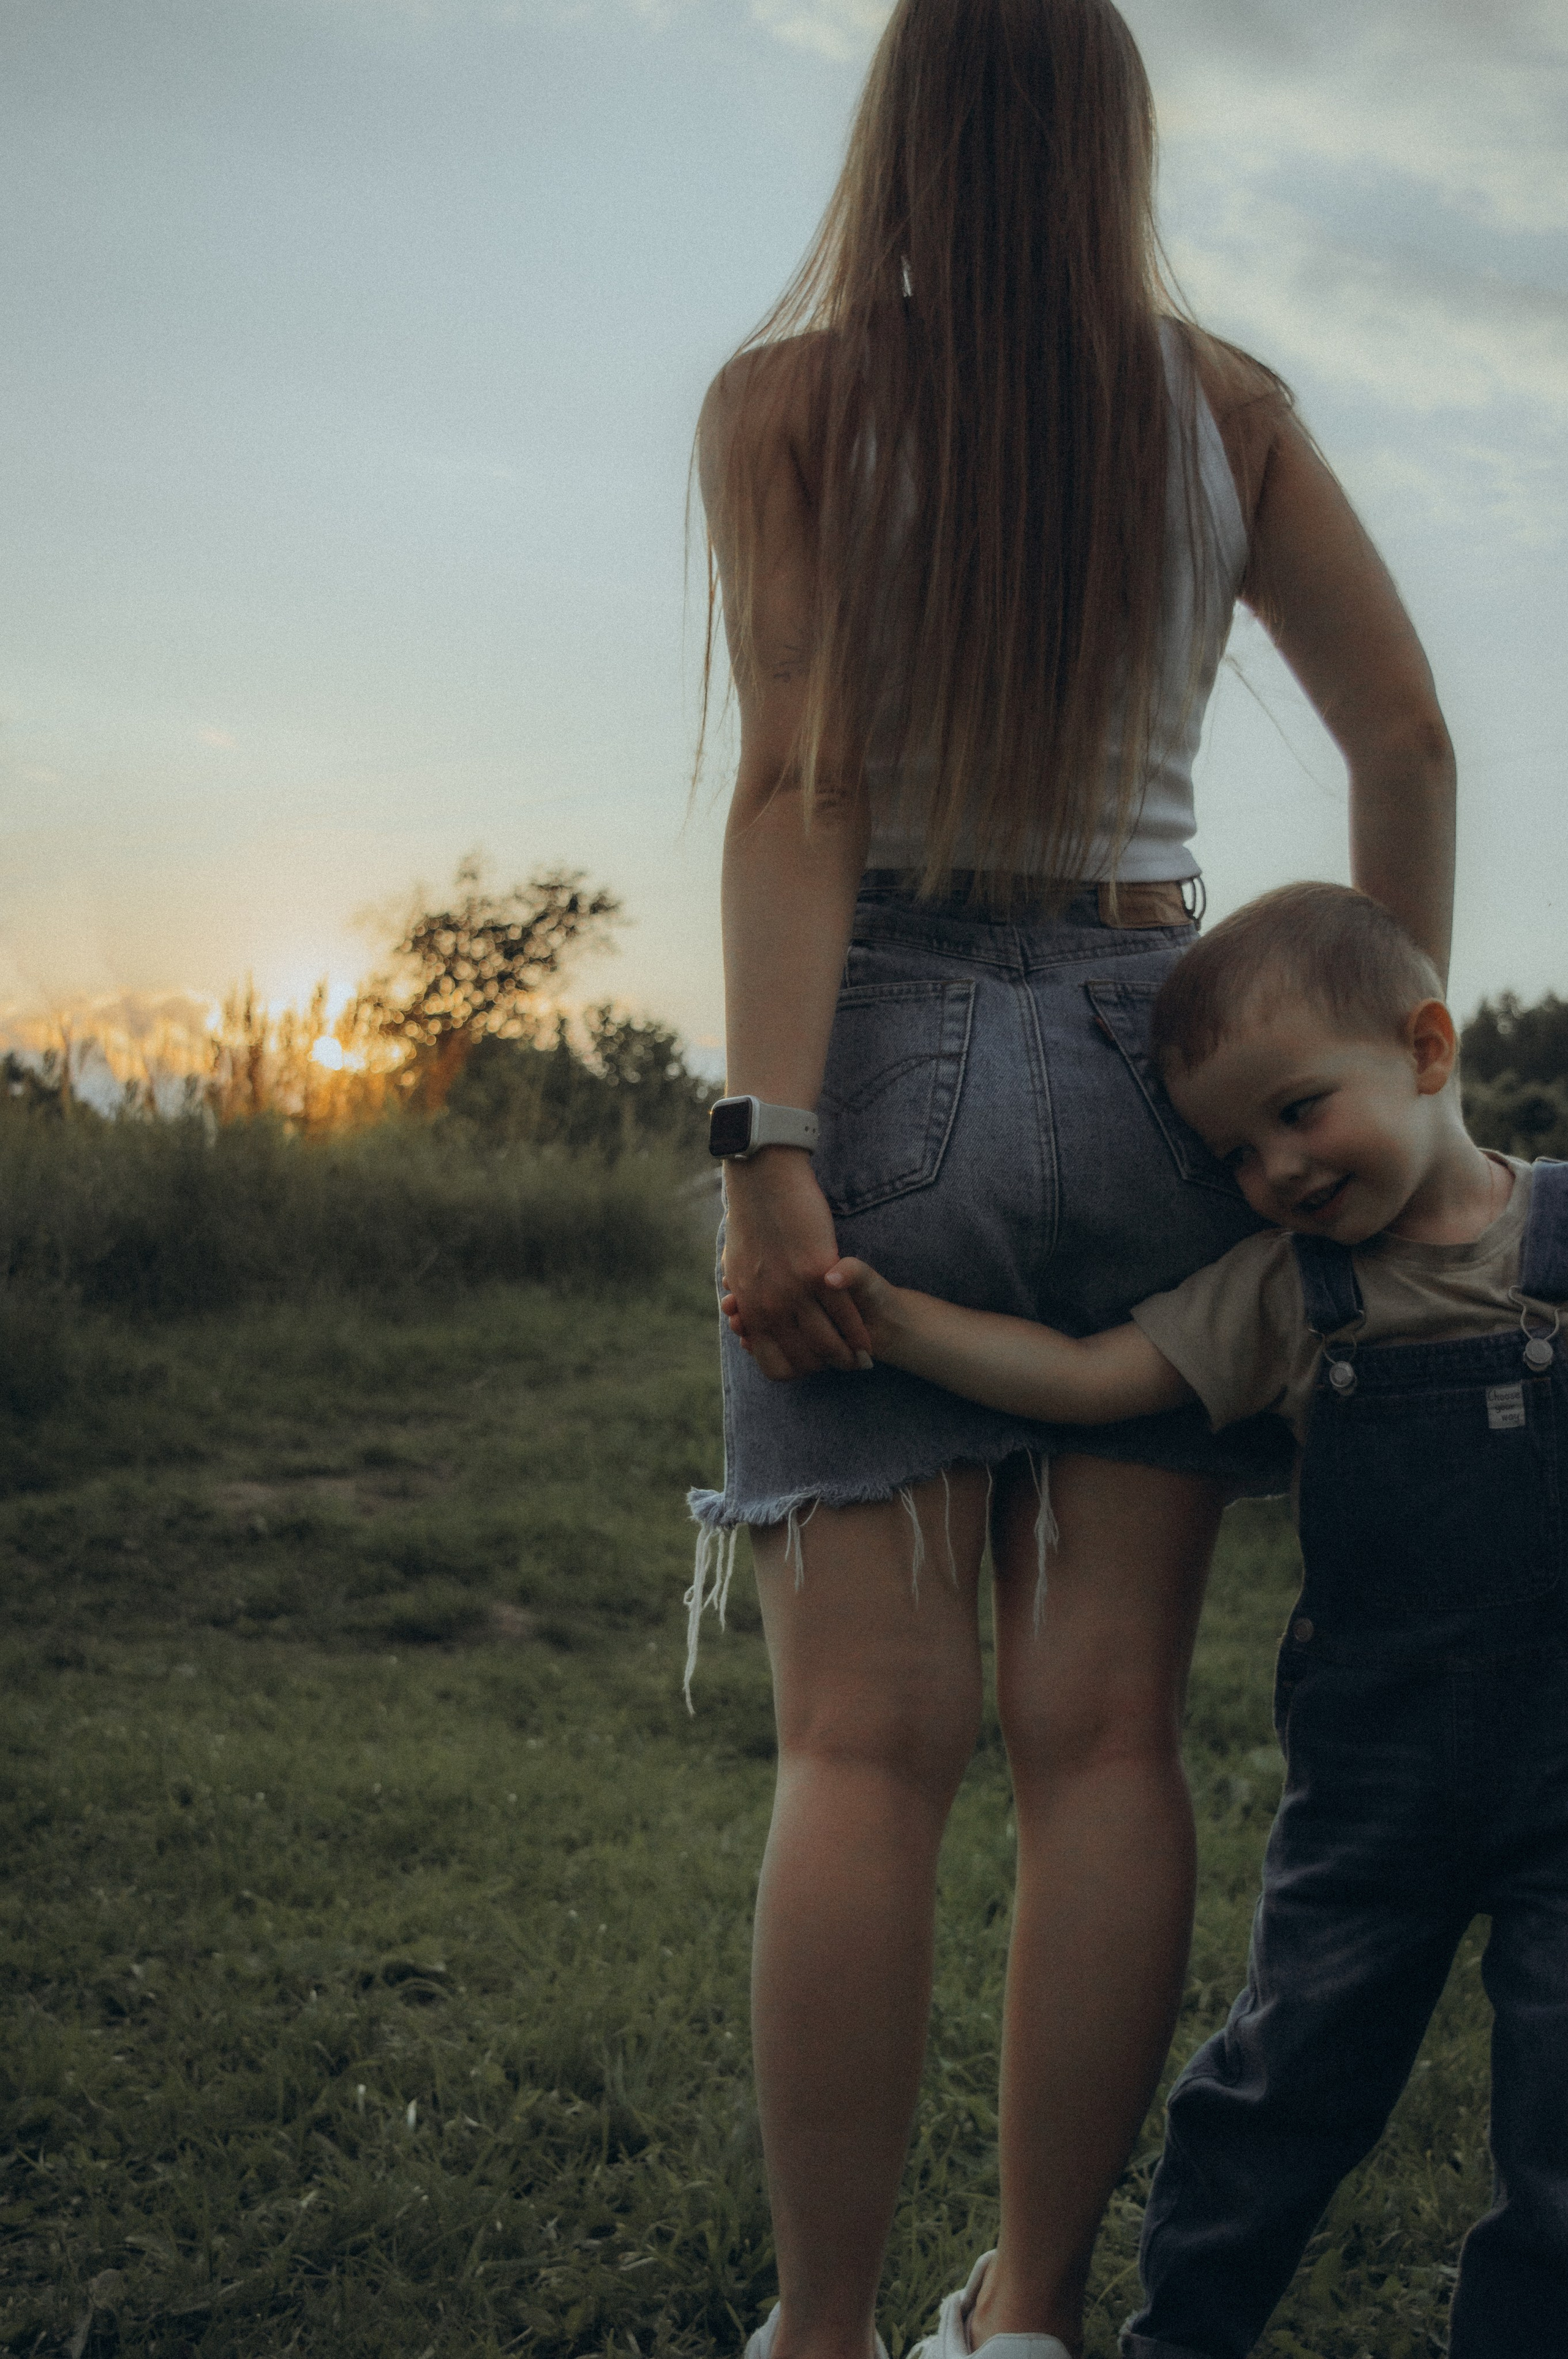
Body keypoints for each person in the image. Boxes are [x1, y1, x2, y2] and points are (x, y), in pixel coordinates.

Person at [688, 4, 1455, 2355]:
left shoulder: (788, 406)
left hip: (878, 1046)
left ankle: (825, 2335)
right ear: (1119, 138)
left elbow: (800, 790)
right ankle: (1024, 2316)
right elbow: (1405, 737)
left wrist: (771, 1146)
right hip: (1160, 1059)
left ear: (900, 133)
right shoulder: (1228, 413)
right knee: (1105, 1739)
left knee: (862, 1748)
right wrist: (1383, 1053)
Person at [793, 883, 1568, 2359]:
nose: (1273, 1168)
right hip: (1373, 1797)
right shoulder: (1284, 1293)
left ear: (1424, 1048)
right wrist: (897, 1323)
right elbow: (1091, 1379)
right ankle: (1180, 2335)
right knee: (1276, 2095)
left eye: (1295, 1111)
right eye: (1233, 1153)